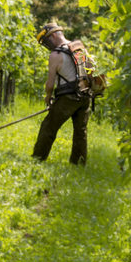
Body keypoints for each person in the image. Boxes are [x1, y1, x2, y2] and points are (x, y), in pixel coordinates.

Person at [31, 22, 92, 165]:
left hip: (68, 97)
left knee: (48, 127)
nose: (47, 45)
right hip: (85, 96)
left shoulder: (55, 55)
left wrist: (48, 97)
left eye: (47, 41)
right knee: (80, 132)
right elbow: (90, 70)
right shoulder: (79, 48)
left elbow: (50, 83)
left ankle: (37, 160)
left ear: (53, 36)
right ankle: (78, 164)